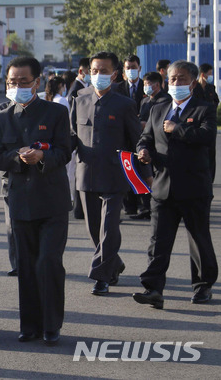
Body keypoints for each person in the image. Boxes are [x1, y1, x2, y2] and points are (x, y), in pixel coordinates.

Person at [0, 57, 71, 346]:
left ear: (37, 82)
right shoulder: (2, 117)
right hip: (20, 203)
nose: (18, 87)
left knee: (48, 262)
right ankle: (30, 326)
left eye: (24, 82)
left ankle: (52, 326)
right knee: (25, 266)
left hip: (52, 202)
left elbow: (64, 151)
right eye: (12, 82)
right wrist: (18, 158)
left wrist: (43, 157)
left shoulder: (57, 112)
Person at [133, 60, 218, 309]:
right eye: (172, 79)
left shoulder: (204, 109)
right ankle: (153, 288)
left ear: (192, 83)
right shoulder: (158, 109)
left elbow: (207, 136)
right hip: (162, 186)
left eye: (181, 79)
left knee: (199, 239)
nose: (176, 83)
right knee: (158, 241)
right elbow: (145, 138)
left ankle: (203, 287)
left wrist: (177, 128)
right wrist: (143, 151)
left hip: (194, 187)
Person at [71, 51, 144, 296]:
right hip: (86, 174)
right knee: (94, 229)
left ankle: (101, 277)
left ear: (114, 75)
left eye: (103, 71)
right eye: (94, 70)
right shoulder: (79, 98)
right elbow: (71, 136)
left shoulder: (124, 104)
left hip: (115, 175)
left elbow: (136, 141)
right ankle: (114, 264)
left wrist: (144, 173)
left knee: (109, 228)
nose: (98, 75)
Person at [130, 72, 171, 221]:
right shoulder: (145, 101)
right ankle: (147, 207)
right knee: (144, 176)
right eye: (145, 84)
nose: (146, 87)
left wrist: (148, 125)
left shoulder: (166, 101)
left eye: (149, 84)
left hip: (158, 146)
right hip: (145, 143)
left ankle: (159, 205)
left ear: (157, 85)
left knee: (153, 177)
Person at [0, 70, 18, 277]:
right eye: (11, 84)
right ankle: (17, 263)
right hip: (10, 175)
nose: (15, 88)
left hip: (37, 175)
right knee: (12, 224)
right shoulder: (1, 109)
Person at [115, 55, 146, 216]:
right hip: (123, 136)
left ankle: (144, 204)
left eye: (134, 67)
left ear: (139, 68)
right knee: (126, 169)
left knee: (143, 169)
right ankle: (129, 206)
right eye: (128, 68)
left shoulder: (146, 87)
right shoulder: (117, 88)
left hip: (143, 135)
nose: (131, 71)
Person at [67, 57, 91, 220]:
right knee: (78, 176)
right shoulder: (77, 90)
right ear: (82, 71)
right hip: (80, 137)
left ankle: (79, 209)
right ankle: (79, 209)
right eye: (91, 72)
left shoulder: (82, 87)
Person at [45, 76, 75, 208]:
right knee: (69, 170)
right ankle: (70, 196)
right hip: (64, 137)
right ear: (60, 86)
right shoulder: (62, 101)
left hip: (50, 140)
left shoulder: (48, 101)